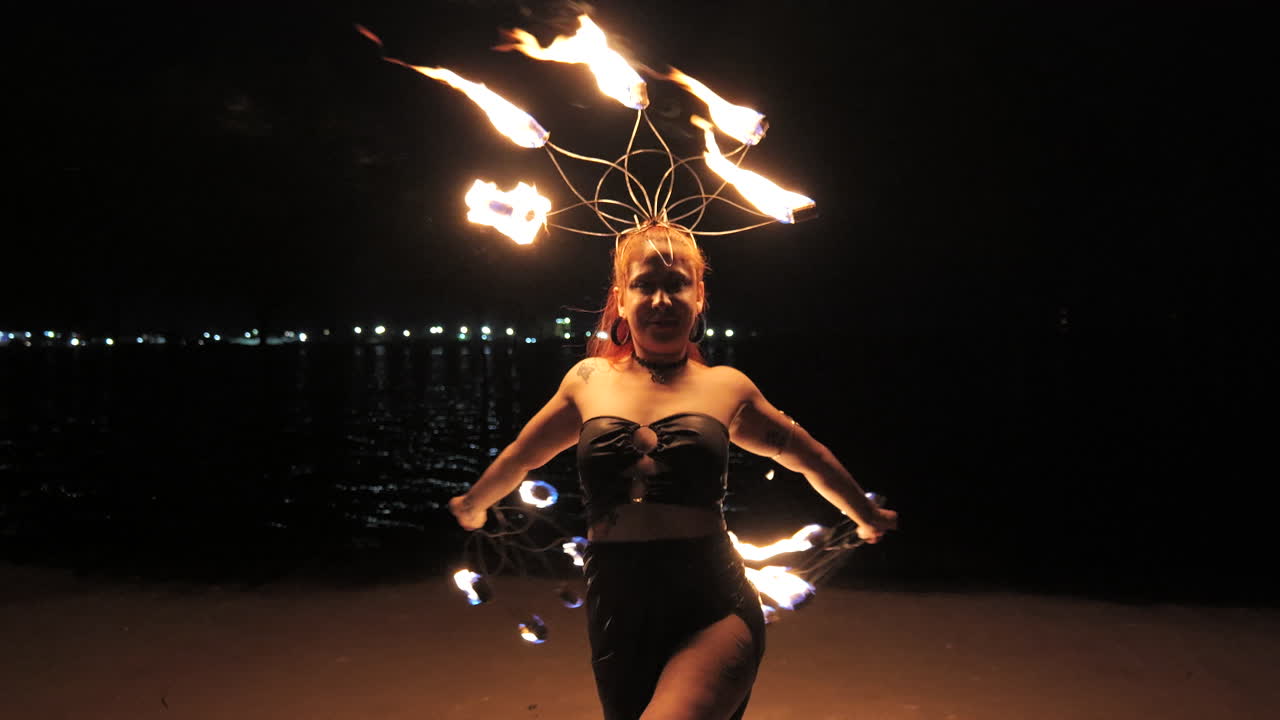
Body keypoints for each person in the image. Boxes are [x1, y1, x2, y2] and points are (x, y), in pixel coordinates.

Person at [449, 221, 898, 720]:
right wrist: (474, 504)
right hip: (616, 607)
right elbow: (522, 455)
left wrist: (865, 516)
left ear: (699, 295)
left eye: (676, 284)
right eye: (644, 285)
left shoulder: (727, 388)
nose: (661, 300)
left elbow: (807, 456)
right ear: (621, 299)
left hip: (713, 602)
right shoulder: (587, 381)